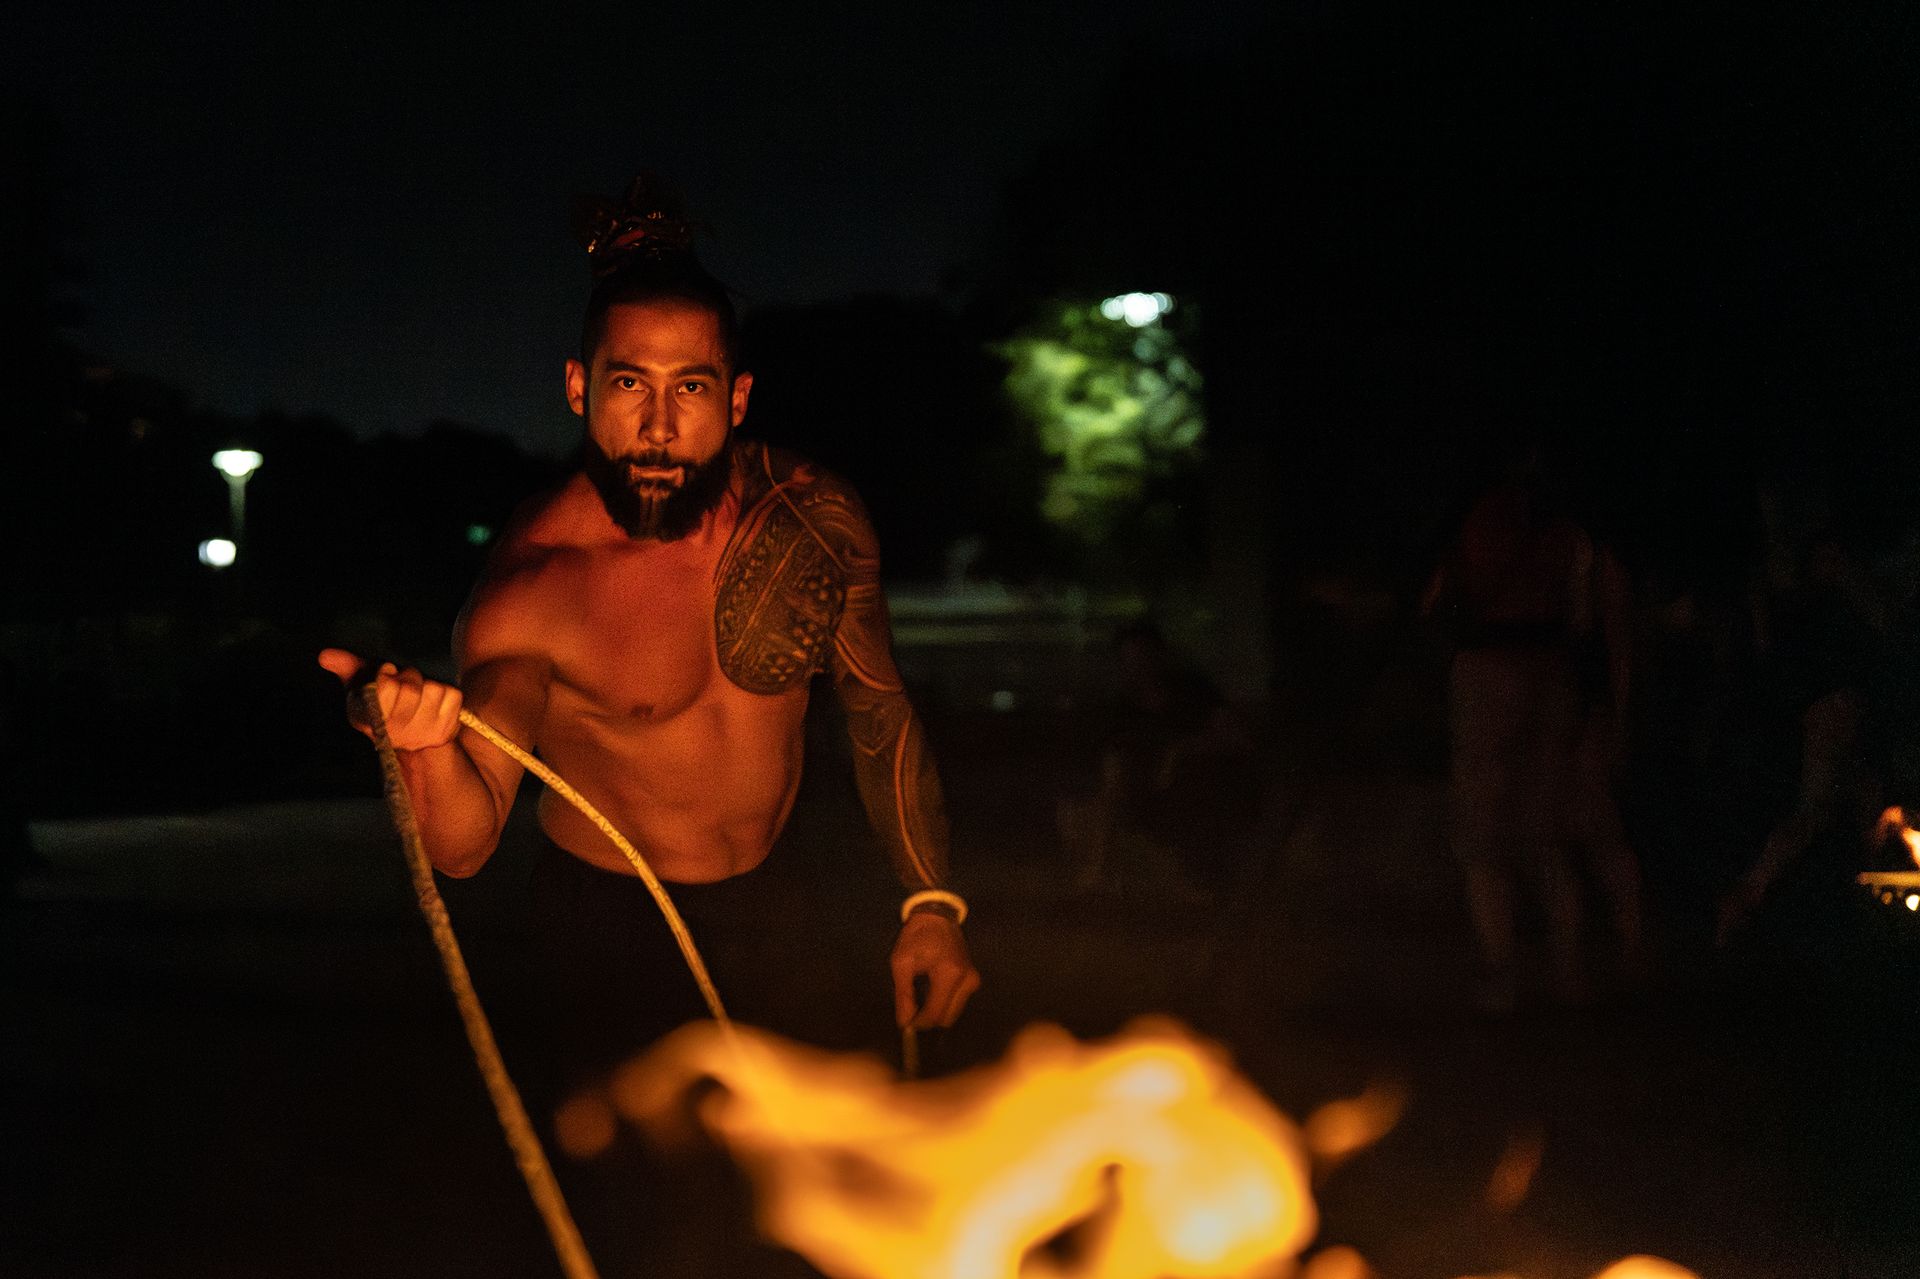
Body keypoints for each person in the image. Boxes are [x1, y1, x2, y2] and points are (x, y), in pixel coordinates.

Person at [318, 175, 978, 1080]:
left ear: (736, 398)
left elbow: (879, 711)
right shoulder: (539, 585)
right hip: (610, 930)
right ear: (578, 387)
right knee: (642, 1170)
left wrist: (931, 903)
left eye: (690, 387)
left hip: (779, 897)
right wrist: (425, 746)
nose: (659, 427)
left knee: (824, 1150)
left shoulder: (812, 519)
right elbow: (463, 847)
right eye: (629, 383)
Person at [1424, 443, 1644, 1013]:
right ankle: (1570, 970)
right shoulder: (1570, 535)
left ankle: (1503, 973)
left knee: (1480, 837)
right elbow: (1586, 620)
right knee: (1544, 832)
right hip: (1553, 676)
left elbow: (1446, 601)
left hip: (1491, 670)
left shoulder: (1480, 518)